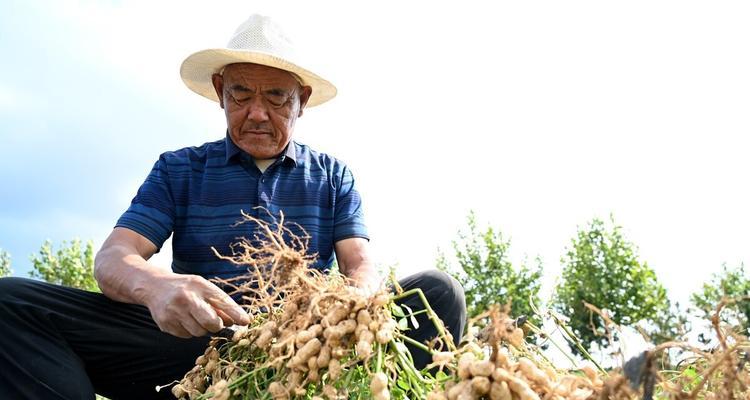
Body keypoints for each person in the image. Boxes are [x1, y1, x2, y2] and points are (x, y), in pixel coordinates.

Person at [0, 15, 466, 399]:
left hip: (305, 345)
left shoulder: (331, 175)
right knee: (11, 303)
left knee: (438, 290)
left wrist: (351, 308)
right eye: (241, 94)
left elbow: (359, 261)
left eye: (277, 97)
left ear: (301, 100)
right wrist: (156, 287)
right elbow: (114, 258)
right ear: (221, 90)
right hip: (195, 345)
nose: (257, 113)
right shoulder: (178, 169)